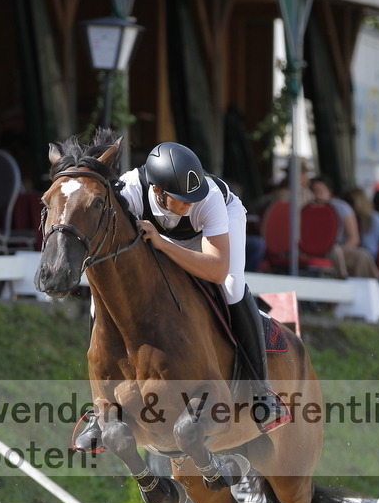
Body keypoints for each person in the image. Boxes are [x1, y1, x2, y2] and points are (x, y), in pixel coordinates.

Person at [74, 141, 286, 452]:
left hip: (211, 237)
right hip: (157, 238)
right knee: (102, 299)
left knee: (231, 287)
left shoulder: (209, 199)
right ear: (158, 192)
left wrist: (163, 244)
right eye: (182, 200)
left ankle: (260, 391)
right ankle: (100, 409)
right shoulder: (130, 193)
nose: (190, 203)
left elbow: (215, 268)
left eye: (192, 198)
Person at [309, 174, 379, 278]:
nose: (317, 196)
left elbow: (353, 239)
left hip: (339, 249)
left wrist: (338, 251)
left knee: (362, 256)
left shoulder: (341, 208)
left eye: (320, 192)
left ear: (329, 192)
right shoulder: (306, 209)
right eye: (314, 192)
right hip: (311, 251)